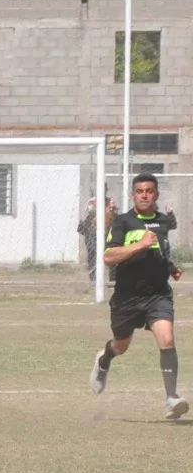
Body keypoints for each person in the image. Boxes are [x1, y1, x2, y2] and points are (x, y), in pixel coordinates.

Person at [89, 173, 187, 420]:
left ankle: (171, 398)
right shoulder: (122, 222)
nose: (145, 195)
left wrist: (170, 267)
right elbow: (109, 257)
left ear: (157, 194)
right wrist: (139, 245)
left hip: (157, 295)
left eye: (150, 190)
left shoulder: (163, 222)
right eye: (140, 191)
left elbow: (161, 251)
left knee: (166, 338)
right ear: (133, 195)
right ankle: (104, 359)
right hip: (127, 298)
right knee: (120, 346)